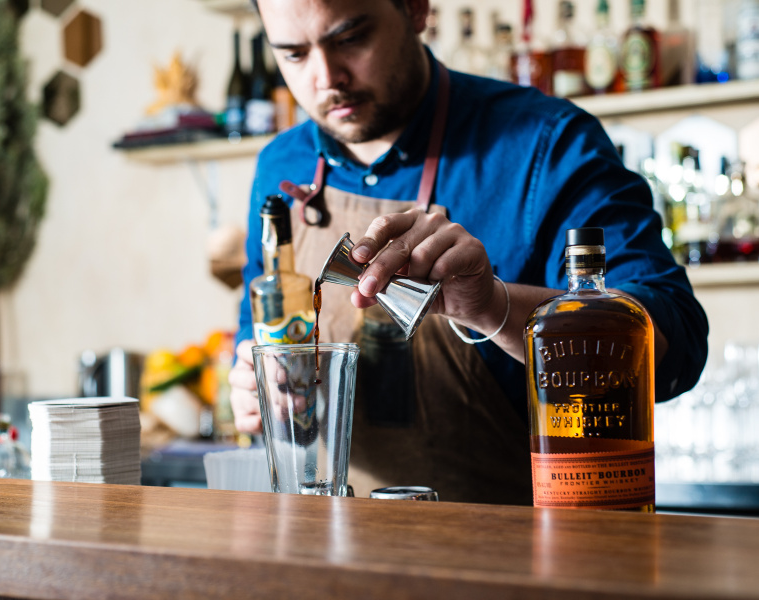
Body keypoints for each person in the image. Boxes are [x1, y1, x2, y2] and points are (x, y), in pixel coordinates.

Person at [228, 0, 708, 504]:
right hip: (334, 541)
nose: (327, 78)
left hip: (518, 542)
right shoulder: (280, 164)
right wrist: (255, 389)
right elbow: (255, 330)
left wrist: (492, 307)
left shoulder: (546, 144)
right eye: (294, 54)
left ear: (416, 10)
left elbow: (675, 349)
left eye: (350, 39)